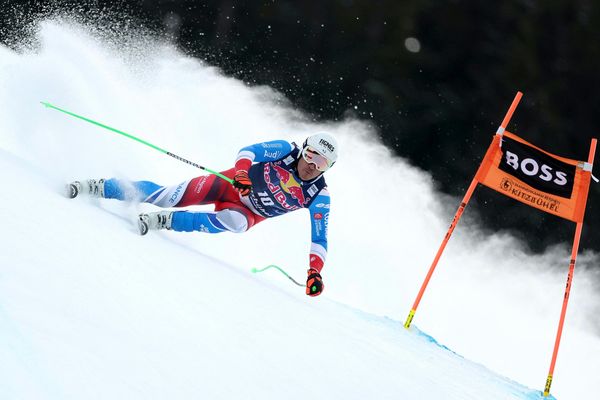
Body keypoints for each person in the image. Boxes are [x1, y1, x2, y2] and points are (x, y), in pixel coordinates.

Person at [68, 133, 338, 297]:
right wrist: (242, 173)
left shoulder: (318, 194)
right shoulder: (285, 149)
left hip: (246, 211)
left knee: (237, 223)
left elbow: (320, 238)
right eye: (312, 154)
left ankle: (166, 222)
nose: (313, 165)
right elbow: (248, 151)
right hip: (227, 183)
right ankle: (101, 186)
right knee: (167, 197)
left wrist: (315, 272)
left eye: (322, 162)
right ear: (304, 149)